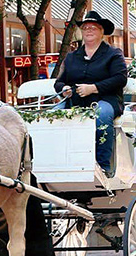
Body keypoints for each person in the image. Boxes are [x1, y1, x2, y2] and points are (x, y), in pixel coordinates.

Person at [54, 11, 127, 173]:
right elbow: (58, 82)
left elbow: (120, 79)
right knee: (51, 117)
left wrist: (93, 88)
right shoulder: (72, 57)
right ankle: (57, 162)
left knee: (101, 114)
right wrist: (64, 90)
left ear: (102, 32)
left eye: (93, 27)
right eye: (85, 27)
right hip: (75, 102)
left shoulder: (113, 54)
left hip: (106, 100)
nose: (88, 30)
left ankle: (103, 165)